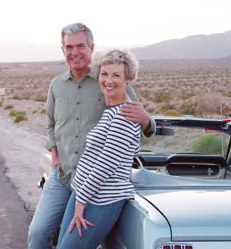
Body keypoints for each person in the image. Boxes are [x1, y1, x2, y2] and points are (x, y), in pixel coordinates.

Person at [27, 23, 155, 249]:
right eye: (69, 47)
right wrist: (54, 150)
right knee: (38, 234)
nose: (74, 52)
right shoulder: (56, 85)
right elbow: (50, 124)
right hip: (64, 175)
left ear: (91, 47)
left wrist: (147, 120)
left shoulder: (108, 78)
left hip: (98, 184)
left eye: (80, 46)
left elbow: (135, 118)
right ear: (62, 50)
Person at [56, 49, 142, 248]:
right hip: (83, 193)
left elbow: (106, 164)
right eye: (104, 74)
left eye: (116, 75)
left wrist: (81, 200)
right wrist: (79, 195)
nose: (108, 80)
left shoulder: (125, 115)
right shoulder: (111, 109)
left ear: (128, 78)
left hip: (101, 200)